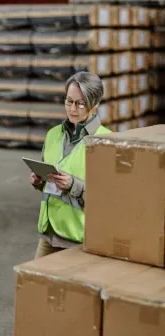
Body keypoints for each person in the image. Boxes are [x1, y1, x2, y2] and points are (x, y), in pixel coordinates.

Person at [29, 71, 112, 259]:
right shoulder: (53, 134)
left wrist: (73, 186)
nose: (72, 109)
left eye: (80, 103)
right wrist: (39, 181)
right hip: (48, 234)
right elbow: (48, 182)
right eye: (68, 101)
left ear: (95, 104)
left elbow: (109, 199)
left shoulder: (105, 141)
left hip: (80, 240)